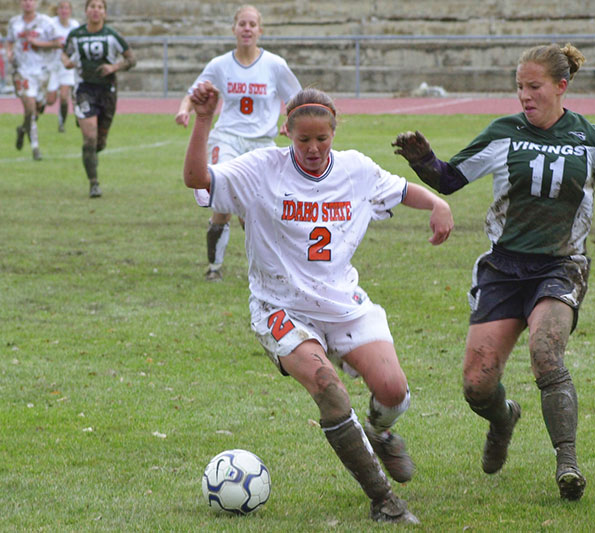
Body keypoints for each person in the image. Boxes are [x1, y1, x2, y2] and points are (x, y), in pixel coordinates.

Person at [393, 43, 595, 501]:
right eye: (519, 87)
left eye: (534, 87)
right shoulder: (503, 133)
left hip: (561, 265)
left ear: (561, 86)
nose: (524, 96)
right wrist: (423, 160)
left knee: (546, 352)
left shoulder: (588, 138)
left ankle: (567, 462)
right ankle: (503, 418)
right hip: (502, 268)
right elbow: (450, 179)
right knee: (477, 386)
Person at [184, 84, 454, 523]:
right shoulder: (261, 169)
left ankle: (381, 432)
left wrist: (436, 202)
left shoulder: (355, 169)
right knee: (330, 389)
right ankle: (384, 501)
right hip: (281, 307)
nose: (312, 148)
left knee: (393, 391)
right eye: (302, 139)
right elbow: (198, 180)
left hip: (343, 303)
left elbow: (401, 189)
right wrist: (202, 121)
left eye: (321, 139)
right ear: (286, 132)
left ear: (335, 132)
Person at [175, 5, 302, 282]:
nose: (247, 28)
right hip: (228, 139)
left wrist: (291, 121)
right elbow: (194, 91)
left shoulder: (275, 65)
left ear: (260, 30)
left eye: (252, 24)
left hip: (262, 143)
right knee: (224, 199)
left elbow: (298, 100)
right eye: (242, 24)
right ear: (234, 29)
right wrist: (185, 109)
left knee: (257, 207)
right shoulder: (221, 64)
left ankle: (265, 268)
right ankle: (214, 268)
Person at [62, 0, 135, 198]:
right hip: (83, 89)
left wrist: (113, 67)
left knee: (99, 143)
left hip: (107, 91)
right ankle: (94, 183)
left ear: (105, 12)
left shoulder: (112, 35)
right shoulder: (76, 35)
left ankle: (91, 150)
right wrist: (67, 62)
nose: (95, 10)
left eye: (99, 7)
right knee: (90, 138)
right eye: (92, 6)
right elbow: (64, 53)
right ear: (86, 11)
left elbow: (131, 60)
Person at [6, 0, 60, 161]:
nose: (27, 3)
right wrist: (9, 52)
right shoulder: (14, 22)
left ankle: (23, 129)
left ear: (36, 3)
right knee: (29, 108)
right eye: (24, 0)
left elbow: (58, 43)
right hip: (22, 71)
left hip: (42, 71)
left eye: (30, 0)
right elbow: (9, 41)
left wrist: (38, 43)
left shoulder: (46, 22)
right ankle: (35, 148)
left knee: (37, 110)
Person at [48, 0, 79, 133]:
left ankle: (61, 124)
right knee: (50, 100)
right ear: (57, 10)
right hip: (52, 65)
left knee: (64, 96)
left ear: (70, 11)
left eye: (66, 8)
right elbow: (44, 41)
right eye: (61, 8)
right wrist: (54, 45)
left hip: (66, 66)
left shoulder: (74, 26)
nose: (64, 11)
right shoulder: (50, 24)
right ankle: (41, 105)